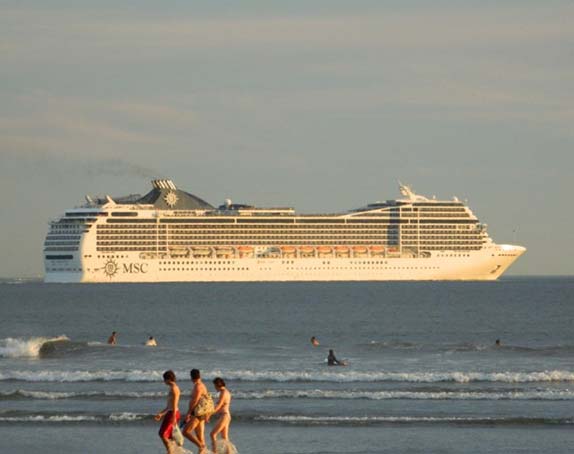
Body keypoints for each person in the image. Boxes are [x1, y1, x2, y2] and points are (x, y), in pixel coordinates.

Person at [154, 370, 181, 454]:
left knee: (163, 434)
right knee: (165, 434)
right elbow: (169, 406)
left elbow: (175, 404)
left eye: (165, 379)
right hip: (170, 412)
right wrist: (161, 414)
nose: (164, 381)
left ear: (169, 379)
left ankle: (171, 451)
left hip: (173, 413)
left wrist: (173, 417)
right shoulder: (171, 388)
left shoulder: (174, 388)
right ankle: (170, 451)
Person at [183, 369, 209, 452]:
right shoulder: (202, 385)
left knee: (185, 432)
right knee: (200, 438)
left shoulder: (198, 386)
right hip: (201, 413)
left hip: (197, 413)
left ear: (191, 377)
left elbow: (195, 401)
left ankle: (201, 446)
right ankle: (202, 447)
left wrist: (188, 413)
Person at [210, 377, 232, 453]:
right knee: (225, 437)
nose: (214, 388)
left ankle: (215, 452)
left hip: (224, 416)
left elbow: (219, 405)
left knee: (213, 434)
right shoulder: (226, 392)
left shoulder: (223, 393)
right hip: (226, 415)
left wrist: (209, 414)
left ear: (217, 385)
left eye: (215, 386)